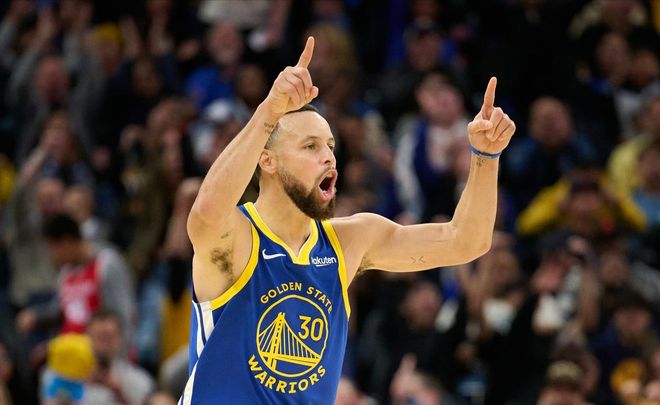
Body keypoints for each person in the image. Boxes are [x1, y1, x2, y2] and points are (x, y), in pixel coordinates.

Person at [182, 36, 516, 403]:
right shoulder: (237, 238)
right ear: (268, 160)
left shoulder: (348, 242)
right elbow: (206, 212)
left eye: (330, 146)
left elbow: (466, 241)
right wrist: (268, 112)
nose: (328, 157)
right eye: (310, 146)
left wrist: (486, 157)